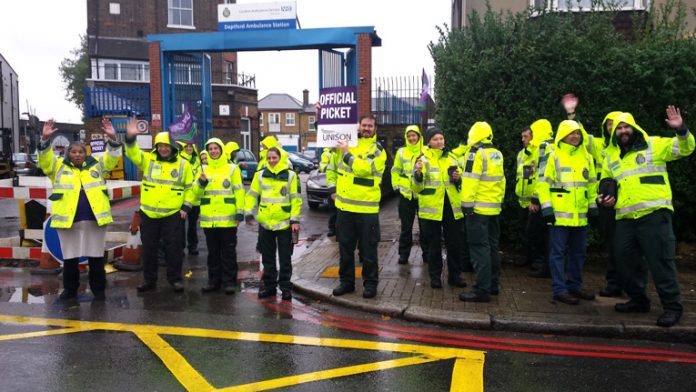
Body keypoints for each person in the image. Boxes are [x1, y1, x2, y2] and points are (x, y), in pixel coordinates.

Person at [598, 107, 694, 327]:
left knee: (660, 261)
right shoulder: (611, 155)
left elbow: (686, 148)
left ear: (634, 128)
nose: (623, 131)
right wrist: (603, 197)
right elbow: (604, 180)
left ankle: (672, 307)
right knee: (624, 260)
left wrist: (681, 129)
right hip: (625, 217)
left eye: (626, 126)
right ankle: (638, 300)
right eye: (619, 128)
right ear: (614, 133)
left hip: (654, 214)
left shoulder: (655, 144)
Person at [38, 118, 121, 301]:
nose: (77, 155)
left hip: (94, 219)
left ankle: (98, 290)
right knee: (70, 258)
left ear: (86, 153)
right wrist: (44, 140)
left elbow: (112, 158)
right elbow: (44, 162)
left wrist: (113, 138)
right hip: (68, 221)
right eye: (73, 152)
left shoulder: (97, 165)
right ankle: (70, 290)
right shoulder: (58, 167)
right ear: (68, 153)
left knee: (96, 257)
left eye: (81, 152)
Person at [124, 119, 194, 293]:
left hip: (172, 214)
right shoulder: (148, 160)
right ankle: (149, 280)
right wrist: (131, 138)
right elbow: (133, 154)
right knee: (149, 250)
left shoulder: (183, 164)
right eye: (160, 146)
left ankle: (175, 280)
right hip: (148, 214)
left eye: (166, 146)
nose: (163, 149)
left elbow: (190, 188)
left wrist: (186, 207)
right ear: (156, 147)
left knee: (174, 250)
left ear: (172, 147)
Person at [537, 120, 598, 305]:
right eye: (571, 133)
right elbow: (543, 184)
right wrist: (547, 208)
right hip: (559, 215)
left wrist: (593, 206)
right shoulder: (553, 155)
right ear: (562, 135)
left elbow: (592, 183)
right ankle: (559, 289)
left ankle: (575, 286)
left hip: (580, 216)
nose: (575, 136)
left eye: (577, 133)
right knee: (558, 253)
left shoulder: (586, 156)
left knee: (579, 253)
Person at [330, 115, 387, 299]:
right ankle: (346, 282)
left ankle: (370, 284)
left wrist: (347, 153)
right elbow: (328, 139)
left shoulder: (378, 150)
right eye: (364, 125)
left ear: (375, 128)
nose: (367, 128)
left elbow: (363, 168)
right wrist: (319, 116)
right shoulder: (348, 142)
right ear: (359, 126)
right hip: (345, 208)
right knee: (345, 249)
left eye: (370, 126)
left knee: (368, 250)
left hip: (366, 210)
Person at [412, 128, 467, 288]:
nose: (439, 142)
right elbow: (415, 188)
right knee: (434, 246)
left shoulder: (452, 158)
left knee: (454, 244)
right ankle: (435, 277)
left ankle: (454, 276)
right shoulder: (422, 159)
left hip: (451, 208)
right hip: (432, 209)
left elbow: (460, 182)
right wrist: (418, 175)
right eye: (435, 139)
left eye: (441, 138)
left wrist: (458, 178)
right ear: (429, 141)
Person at [245, 147, 301, 300]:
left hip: (284, 224)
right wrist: (248, 212)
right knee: (267, 258)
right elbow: (252, 195)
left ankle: (285, 288)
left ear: (280, 157)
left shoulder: (290, 176)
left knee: (285, 258)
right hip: (265, 224)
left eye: (274, 158)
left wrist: (295, 220)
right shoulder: (260, 175)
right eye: (269, 158)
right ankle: (270, 287)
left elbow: (296, 199)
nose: (271, 161)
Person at [459, 122, 505, 303]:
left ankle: (481, 290)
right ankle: (493, 285)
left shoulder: (475, 153)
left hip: (477, 210)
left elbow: (470, 180)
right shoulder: (497, 154)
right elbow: (501, 181)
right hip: (494, 208)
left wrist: (466, 206)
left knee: (479, 249)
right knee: (493, 247)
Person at [195, 138, 245, 294]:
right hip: (209, 221)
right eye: (210, 149)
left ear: (222, 149)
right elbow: (196, 194)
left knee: (228, 252)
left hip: (228, 219)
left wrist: (240, 213)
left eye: (216, 148)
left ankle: (229, 282)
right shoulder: (202, 169)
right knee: (213, 253)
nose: (213, 151)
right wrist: (201, 183)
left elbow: (239, 191)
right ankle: (213, 281)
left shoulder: (232, 169)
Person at [523, 119, 555, 278]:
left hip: (543, 198)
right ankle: (547, 266)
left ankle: (545, 267)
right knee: (547, 235)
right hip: (553, 198)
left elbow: (542, 176)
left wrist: (535, 200)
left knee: (539, 234)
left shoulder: (544, 147)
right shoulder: (554, 145)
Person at [392, 125, 428, 265]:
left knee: (424, 227)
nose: (412, 138)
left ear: (419, 136)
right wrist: (396, 187)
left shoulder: (426, 151)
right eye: (409, 136)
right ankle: (404, 254)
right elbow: (395, 170)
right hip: (406, 194)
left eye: (414, 135)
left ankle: (427, 253)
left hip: (422, 194)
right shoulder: (401, 152)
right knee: (406, 227)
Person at [179, 142, 201, 255]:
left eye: (190, 146)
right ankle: (181, 247)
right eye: (186, 147)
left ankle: (193, 246)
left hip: (195, 200)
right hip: (182, 199)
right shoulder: (180, 159)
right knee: (181, 226)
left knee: (193, 225)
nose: (188, 148)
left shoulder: (197, 160)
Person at [320, 147, 338, 237]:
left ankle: (336, 229)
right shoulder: (330, 153)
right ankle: (332, 228)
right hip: (334, 186)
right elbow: (325, 168)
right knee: (333, 210)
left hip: (344, 187)